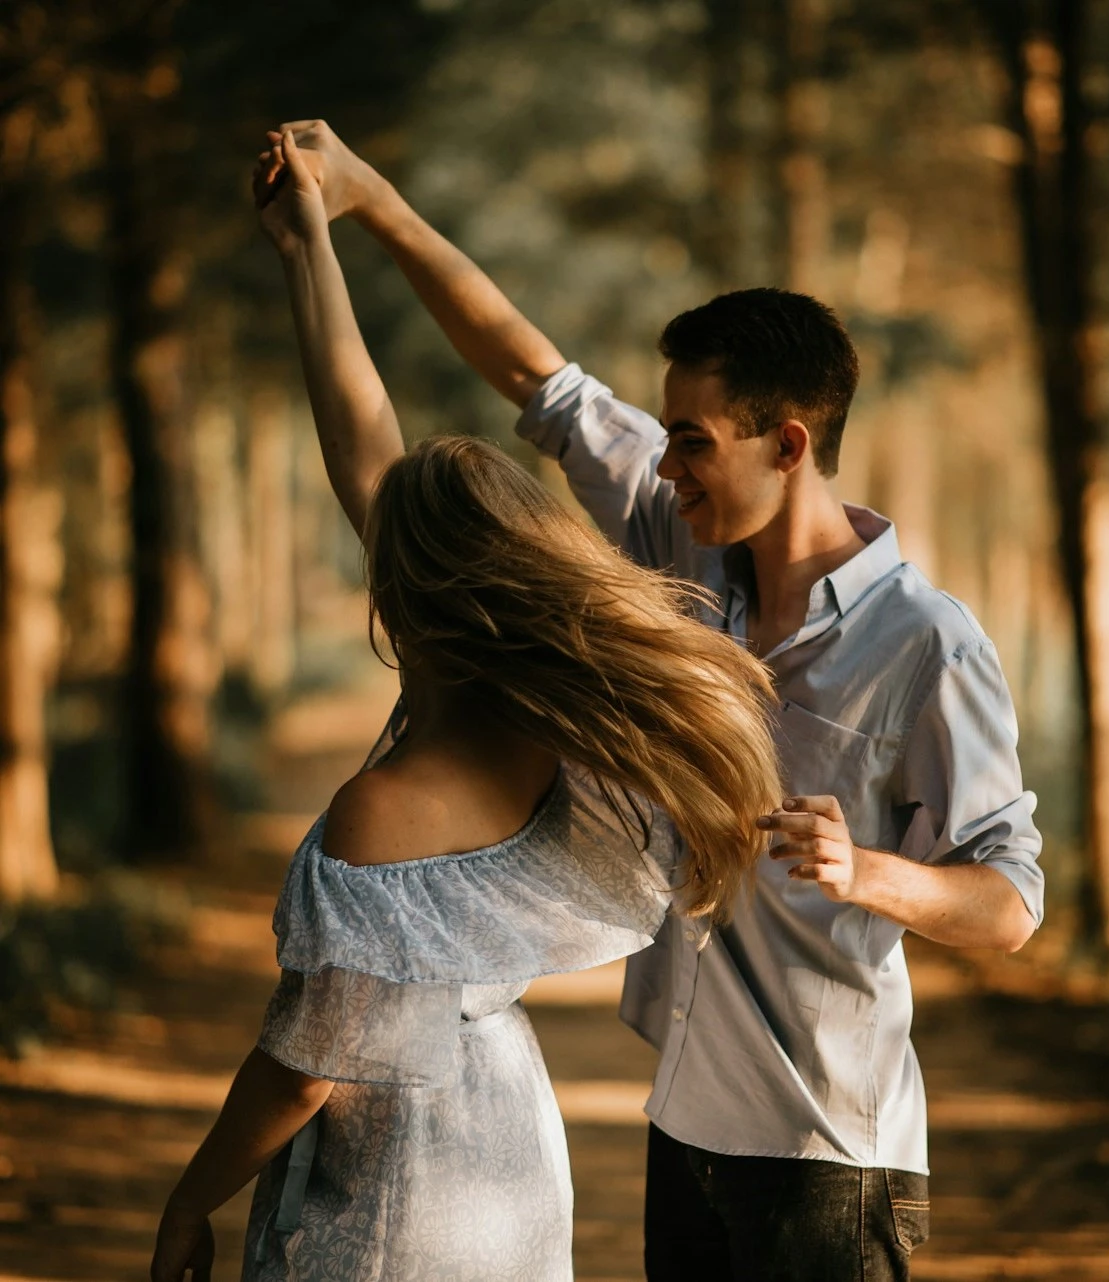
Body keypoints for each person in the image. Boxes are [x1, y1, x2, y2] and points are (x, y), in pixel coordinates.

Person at [254, 121, 1046, 1282]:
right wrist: (369, 206)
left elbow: (1013, 901)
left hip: (827, 1150)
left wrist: (869, 872)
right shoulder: (681, 545)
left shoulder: (927, 646)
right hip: (682, 1124)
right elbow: (538, 377)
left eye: (689, 442)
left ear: (788, 444)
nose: (663, 468)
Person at [147, 130, 785, 1282]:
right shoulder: (576, 746)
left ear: (403, 588)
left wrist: (189, 1200)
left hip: (402, 1188)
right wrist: (310, 250)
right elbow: (366, 447)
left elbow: (309, 1066)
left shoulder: (382, 811)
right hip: (510, 1146)